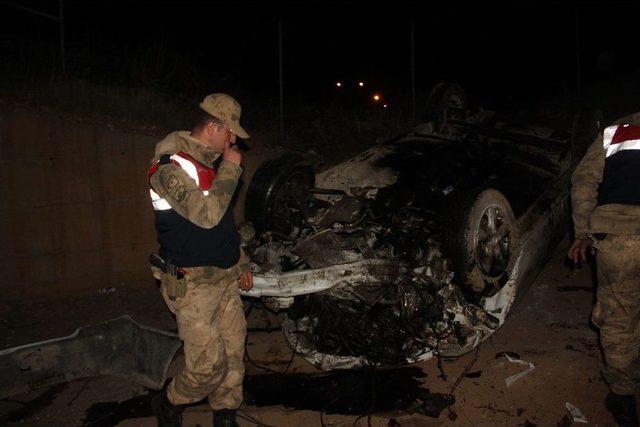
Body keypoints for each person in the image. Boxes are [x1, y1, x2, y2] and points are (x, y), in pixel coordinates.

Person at [147, 93, 254, 427]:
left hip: (225, 278)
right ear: (212, 127)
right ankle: (169, 401)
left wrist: (241, 262)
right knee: (206, 368)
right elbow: (205, 216)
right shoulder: (168, 167)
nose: (233, 140)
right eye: (230, 132)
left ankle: (225, 415)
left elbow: (223, 226)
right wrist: (231, 169)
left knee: (234, 357)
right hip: (192, 283)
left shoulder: (212, 165)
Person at [569, 120, 640, 427]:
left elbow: (584, 181)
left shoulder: (616, 131)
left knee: (619, 315)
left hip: (618, 235)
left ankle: (623, 396)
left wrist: (583, 232)